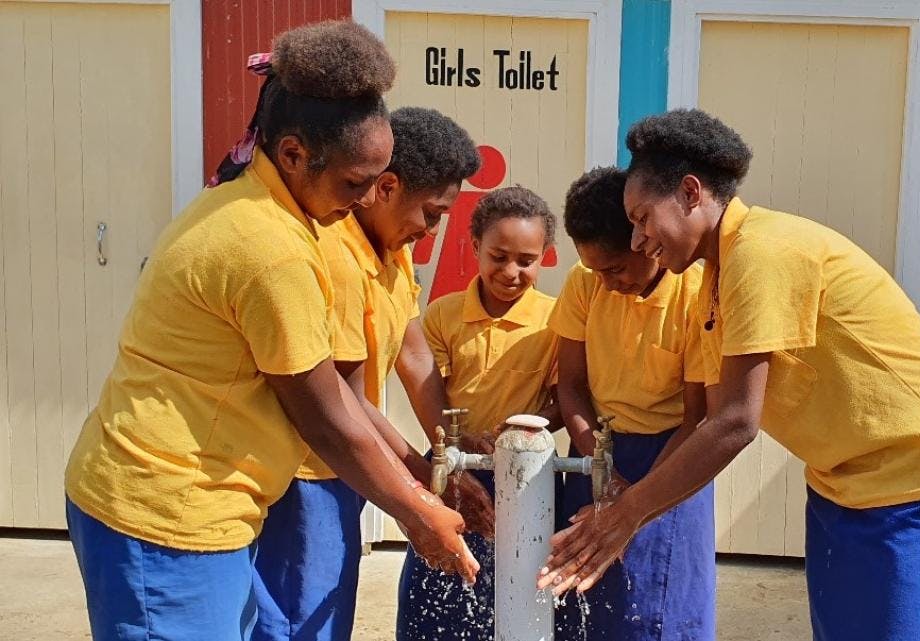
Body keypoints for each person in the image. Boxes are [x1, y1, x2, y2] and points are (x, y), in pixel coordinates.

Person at [64, 21, 476, 641]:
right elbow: (325, 413)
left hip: (208, 504)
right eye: (354, 184)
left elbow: (348, 393)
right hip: (165, 510)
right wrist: (418, 512)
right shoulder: (271, 248)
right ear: (291, 154)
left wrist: (421, 481)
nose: (365, 200)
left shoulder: (266, 209)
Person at [540, 109, 920, 641]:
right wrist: (626, 509)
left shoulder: (762, 252)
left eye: (643, 218)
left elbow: (734, 422)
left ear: (690, 193)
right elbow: (714, 416)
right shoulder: (715, 274)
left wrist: (624, 517)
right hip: (840, 484)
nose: (639, 240)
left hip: (917, 484)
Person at [253, 106, 487, 641]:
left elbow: (415, 356)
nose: (429, 231)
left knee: (324, 612)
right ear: (385, 187)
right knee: (297, 621)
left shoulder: (393, 252)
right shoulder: (336, 256)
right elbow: (343, 398)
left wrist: (447, 445)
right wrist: (419, 482)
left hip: (348, 468)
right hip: (309, 471)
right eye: (429, 213)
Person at [549, 167, 712, 641]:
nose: (606, 282)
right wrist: (598, 461)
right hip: (597, 454)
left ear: (647, 243)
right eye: (595, 270)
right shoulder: (585, 283)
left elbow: (698, 421)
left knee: (658, 607)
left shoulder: (696, 295)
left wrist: (636, 498)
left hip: (673, 460)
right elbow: (572, 387)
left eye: (616, 268)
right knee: (584, 603)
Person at [397, 186, 561, 641]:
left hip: (530, 479)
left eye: (526, 260)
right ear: (475, 248)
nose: (511, 272)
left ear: (545, 257)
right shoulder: (444, 316)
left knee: (523, 586)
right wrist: (454, 443)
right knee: (439, 583)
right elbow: (430, 392)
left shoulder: (557, 321)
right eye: (499, 256)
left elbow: (566, 397)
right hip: (454, 472)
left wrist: (531, 424)